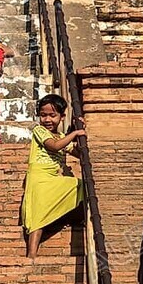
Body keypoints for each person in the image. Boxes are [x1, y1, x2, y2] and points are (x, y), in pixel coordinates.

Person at [21, 94, 85, 260]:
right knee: (38, 216)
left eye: (52, 115)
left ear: (62, 117)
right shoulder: (39, 130)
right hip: (39, 177)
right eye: (43, 115)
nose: (47, 119)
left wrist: (83, 135)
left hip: (54, 177)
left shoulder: (62, 135)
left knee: (80, 185)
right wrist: (75, 133)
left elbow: (78, 153)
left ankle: (74, 218)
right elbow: (55, 146)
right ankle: (31, 254)